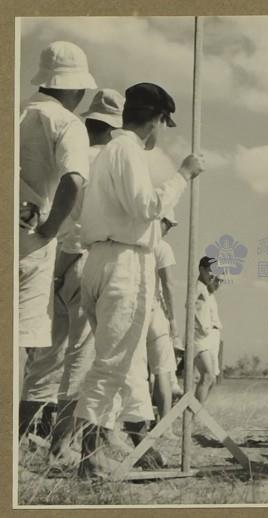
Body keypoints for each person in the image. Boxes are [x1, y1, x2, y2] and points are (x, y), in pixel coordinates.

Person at [74, 82, 205, 478]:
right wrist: (183, 175)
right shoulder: (127, 150)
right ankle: (88, 454)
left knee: (125, 362)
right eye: (164, 123)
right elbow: (146, 206)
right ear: (157, 121)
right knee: (112, 363)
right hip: (122, 262)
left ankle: (123, 442)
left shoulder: (107, 153)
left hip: (104, 258)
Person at [20, 89, 125, 468]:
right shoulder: (111, 161)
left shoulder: (73, 149)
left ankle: (18, 442)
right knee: (80, 358)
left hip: (57, 260)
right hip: (86, 260)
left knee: (46, 357)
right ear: (114, 130)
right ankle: (61, 445)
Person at [19, 41, 96, 441]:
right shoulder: (66, 123)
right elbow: (74, 179)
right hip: (34, 242)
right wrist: (50, 227)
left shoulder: (16, 110)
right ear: (72, 86)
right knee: (28, 340)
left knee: (29, 351)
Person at [146, 210, 180, 432]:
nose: (169, 229)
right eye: (169, 224)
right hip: (155, 311)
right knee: (163, 370)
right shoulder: (162, 247)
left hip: (133, 311)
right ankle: (165, 427)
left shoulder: (134, 242)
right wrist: (173, 317)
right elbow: (168, 284)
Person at [194, 257, 224, 404]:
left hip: (212, 336)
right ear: (202, 269)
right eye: (211, 273)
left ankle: (192, 413)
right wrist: (201, 326)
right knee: (207, 377)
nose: (214, 278)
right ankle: (190, 418)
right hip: (200, 337)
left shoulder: (208, 291)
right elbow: (189, 306)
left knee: (211, 380)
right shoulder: (197, 287)